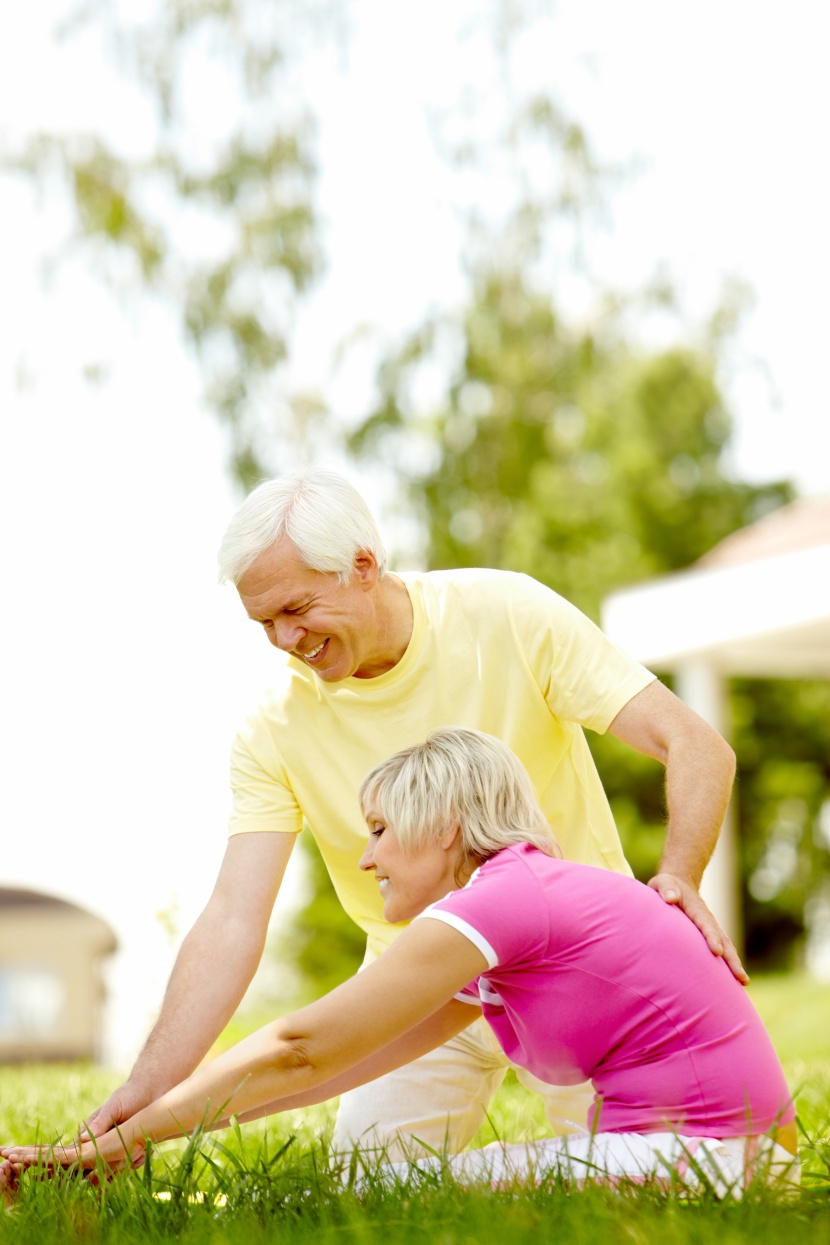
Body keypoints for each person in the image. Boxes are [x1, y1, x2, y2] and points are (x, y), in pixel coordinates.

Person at [81, 467, 740, 1160]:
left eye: (296, 607)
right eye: (264, 621)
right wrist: (147, 1094)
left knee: (652, 1173)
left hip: (572, 963)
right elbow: (233, 919)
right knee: (371, 1185)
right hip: (420, 985)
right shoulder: (273, 728)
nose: (283, 638)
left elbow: (695, 743)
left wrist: (679, 876)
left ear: (363, 566)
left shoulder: (506, 614)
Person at [1, 730, 796, 1197]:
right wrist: (144, 1138)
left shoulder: (499, 900)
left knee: (418, 1186)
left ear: (445, 824)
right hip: (732, 1159)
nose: (367, 854)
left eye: (380, 828)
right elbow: (332, 1066)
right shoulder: (518, 909)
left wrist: (114, 1143)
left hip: (708, 1161)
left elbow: (299, 1044)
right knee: (390, 1178)